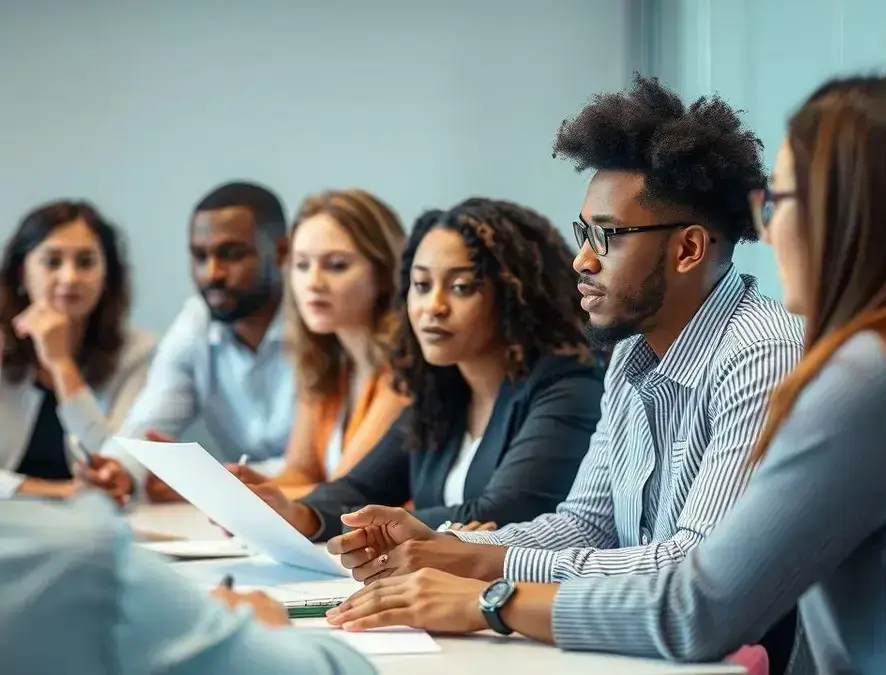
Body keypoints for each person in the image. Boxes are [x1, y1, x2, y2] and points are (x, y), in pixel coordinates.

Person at [321, 69, 886, 673]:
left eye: (779, 200)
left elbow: (697, 602)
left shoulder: (870, 376)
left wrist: (488, 594)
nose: (766, 226)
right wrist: (463, 553)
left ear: (854, 214)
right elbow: (595, 523)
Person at [0, 90, 373, 675]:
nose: (212, 272)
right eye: (200, 255)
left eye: (84, 261)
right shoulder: (74, 572)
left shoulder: (144, 348)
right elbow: (134, 442)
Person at [328, 75, 803, 672]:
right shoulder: (632, 354)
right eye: (584, 234)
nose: (581, 259)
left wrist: (480, 570)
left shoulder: (762, 353)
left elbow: (693, 566)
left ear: (687, 249)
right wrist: (446, 546)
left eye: (606, 237)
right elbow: (588, 524)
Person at [234, 198, 605, 541]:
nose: (433, 306)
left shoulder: (568, 388)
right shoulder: (442, 391)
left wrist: (380, 525)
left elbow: (503, 512)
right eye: (422, 285)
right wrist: (299, 514)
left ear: (517, 297)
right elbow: (358, 490)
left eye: (461, 287)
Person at [88, 181, 296, 504]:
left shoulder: (320, 318)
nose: (212, 273)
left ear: (282, 252)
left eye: (232, 255)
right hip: (252, 516)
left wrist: (207, 481)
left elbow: (331, 464)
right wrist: (119, 470)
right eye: (200, 256)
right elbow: (147, 424)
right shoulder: (197, 321)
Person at [0, 201, 154, 501]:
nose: (70, 278)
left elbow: (114, 466)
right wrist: (57, 493)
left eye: (86, 262)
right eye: (52, 262)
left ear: (107, 276)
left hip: (92, 527)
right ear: (22, 273)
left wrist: (61, 364)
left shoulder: (138, 352)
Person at [264, 189, 411, 500]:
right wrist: (231, 487)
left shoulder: (406, 368)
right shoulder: (327, 362)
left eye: (336, 265)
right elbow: (300, 471)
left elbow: (349, 492)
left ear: (384, 274)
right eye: (301, 265)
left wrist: (260, 496)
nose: (313, 283)